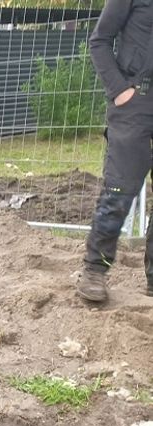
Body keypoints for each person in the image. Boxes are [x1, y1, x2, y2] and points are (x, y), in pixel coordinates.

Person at [78, 0, 153, 302]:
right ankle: (95, 270)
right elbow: (99, 40)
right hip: (136, 100)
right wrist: (120, 91)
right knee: (120, 189)